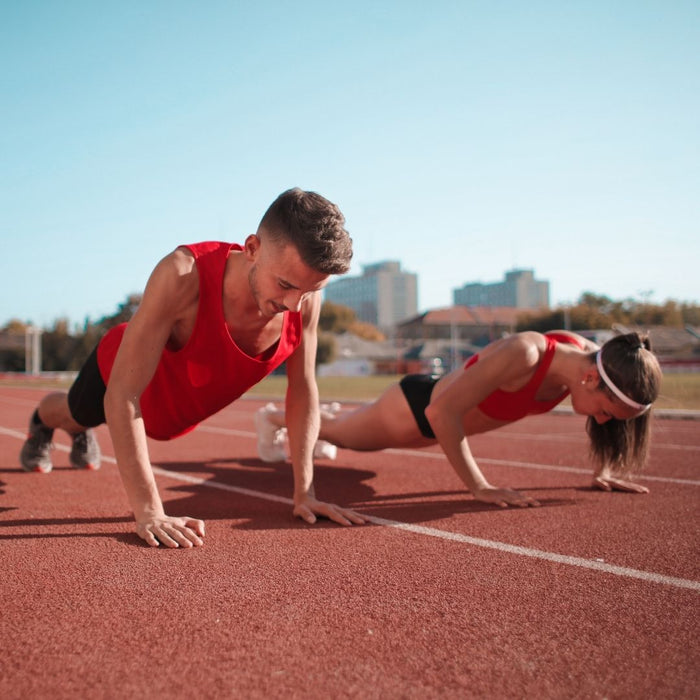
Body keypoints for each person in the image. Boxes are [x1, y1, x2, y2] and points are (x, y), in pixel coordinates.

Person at [19, 187, 365, 547]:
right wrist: (150, 511)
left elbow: (303, 388)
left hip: (178, 411)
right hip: (125, 375)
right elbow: (123, 394)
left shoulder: (304, 295)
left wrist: (305, 492)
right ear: (251, 248)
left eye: (310, 291)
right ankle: (43, 422)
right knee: (78, 414)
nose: (295, 305)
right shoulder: (183, 274)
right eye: (285, 285)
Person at [257, 330, 662, 507]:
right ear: (590, 378)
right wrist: (480, 487)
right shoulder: (527, 354)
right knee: (344, 438)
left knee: (343, 434)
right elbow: (441, 411)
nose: (606, 422)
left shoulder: (590, 361)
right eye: (608, 413)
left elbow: (607, 415)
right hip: (416, 410)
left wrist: (604, 469)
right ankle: (274, 418)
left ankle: (321, 417)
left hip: (441, 424)